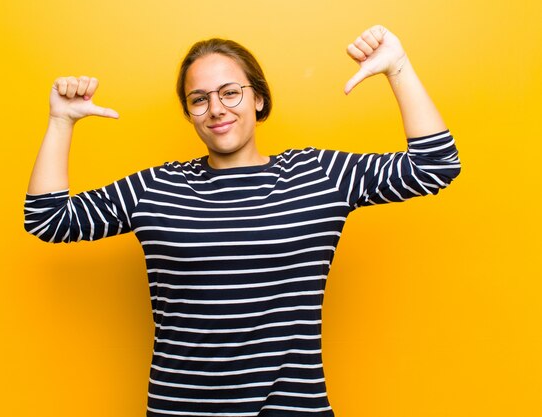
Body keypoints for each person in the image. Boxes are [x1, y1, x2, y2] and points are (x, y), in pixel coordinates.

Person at [24, 25, 460, 417]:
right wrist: (61, 122)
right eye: (199, 99)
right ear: (190, 112)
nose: (216, 108)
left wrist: (398, 67)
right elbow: (48, 219)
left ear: (258, 97)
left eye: (230, 92)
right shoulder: (158, 188)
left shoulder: (317, 176)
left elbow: (435, 166)